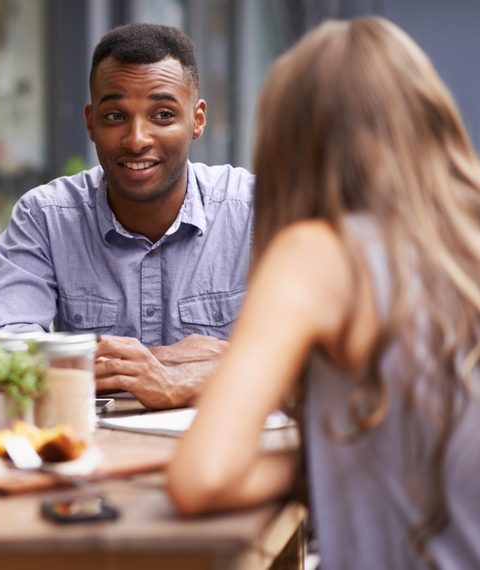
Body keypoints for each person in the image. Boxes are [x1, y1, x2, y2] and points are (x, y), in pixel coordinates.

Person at [167, 17, 480, 569]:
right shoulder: (465, 240)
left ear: (292, 146)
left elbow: (203, 477)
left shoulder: (319, 254)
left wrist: (327, 460)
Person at [0, 22, 253, 409]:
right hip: (86, 456)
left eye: (163, 115)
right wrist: (168, 361)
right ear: (90, 122)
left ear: (197, 119)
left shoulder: (254, 210)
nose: (137, 140)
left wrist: (186, 379)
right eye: (116, 116)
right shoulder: (46, 218)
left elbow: (315, 354)